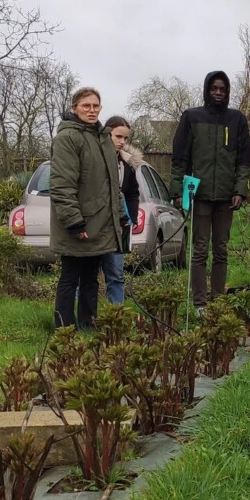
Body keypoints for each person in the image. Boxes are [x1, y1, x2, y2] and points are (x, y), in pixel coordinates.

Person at [170, 71, 250, 309]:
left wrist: (240, 190)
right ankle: (199, 304)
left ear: (227, 92)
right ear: (207, 90)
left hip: (226, 197)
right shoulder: (191, 117)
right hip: (200, 196)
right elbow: (179, 159)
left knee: (221, 250)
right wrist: (177, 192)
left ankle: (217, 300)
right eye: (214, 88)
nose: (218, 93)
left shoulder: (237, 120)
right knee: (200, 250)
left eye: (222, 89)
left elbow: (245, 160)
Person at [50, 87, 124, 329]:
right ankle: (64, 329)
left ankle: (88, 325)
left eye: (95, 106)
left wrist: (119, 214)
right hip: (78, 222)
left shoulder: (102, 137)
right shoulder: (68, 137)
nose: (91, 110)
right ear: (74, 108)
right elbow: (62, 184)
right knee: (70, 276)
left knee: (91, 278)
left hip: (100, 221)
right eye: (86, 106)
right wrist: (74, 221)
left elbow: (111, 183)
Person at [100, 115, 143, 303]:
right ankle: (83, 320)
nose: (122, 142)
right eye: (118, 136)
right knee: (85, 277)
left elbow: (133, 193)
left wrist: (131, 218)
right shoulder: (95, 160)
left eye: (125, 138)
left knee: (116, 275)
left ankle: (117, 317)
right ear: (107, 134)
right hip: (97, 225)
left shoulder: (127, 164)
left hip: (118, 227)